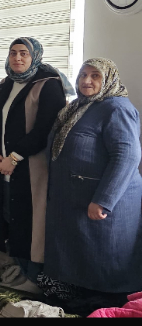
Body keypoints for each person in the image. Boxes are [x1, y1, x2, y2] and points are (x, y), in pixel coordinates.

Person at [42, 58, 142, 306]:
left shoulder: (116, 108)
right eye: (82, 75)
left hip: (106, 199)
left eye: (95, 75)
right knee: (82, 253)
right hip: (76, 195)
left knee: (106, 253)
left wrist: (104, 200)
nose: (86, 81)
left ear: (108, 79)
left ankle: (109, 302)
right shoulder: (79, 106)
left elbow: (127, 156)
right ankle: (82, 298)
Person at [0, 37, 66, 281]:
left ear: (34, 56)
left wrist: (14, 158)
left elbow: (45, 129)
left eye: (23, 53)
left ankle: (32, 277)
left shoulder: (48, 84)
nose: (17, 58)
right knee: (5, 216)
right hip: (0, 164)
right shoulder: (5, 84)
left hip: (31, 167)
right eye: (13, 53)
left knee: (31, 221)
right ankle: (11, 269)